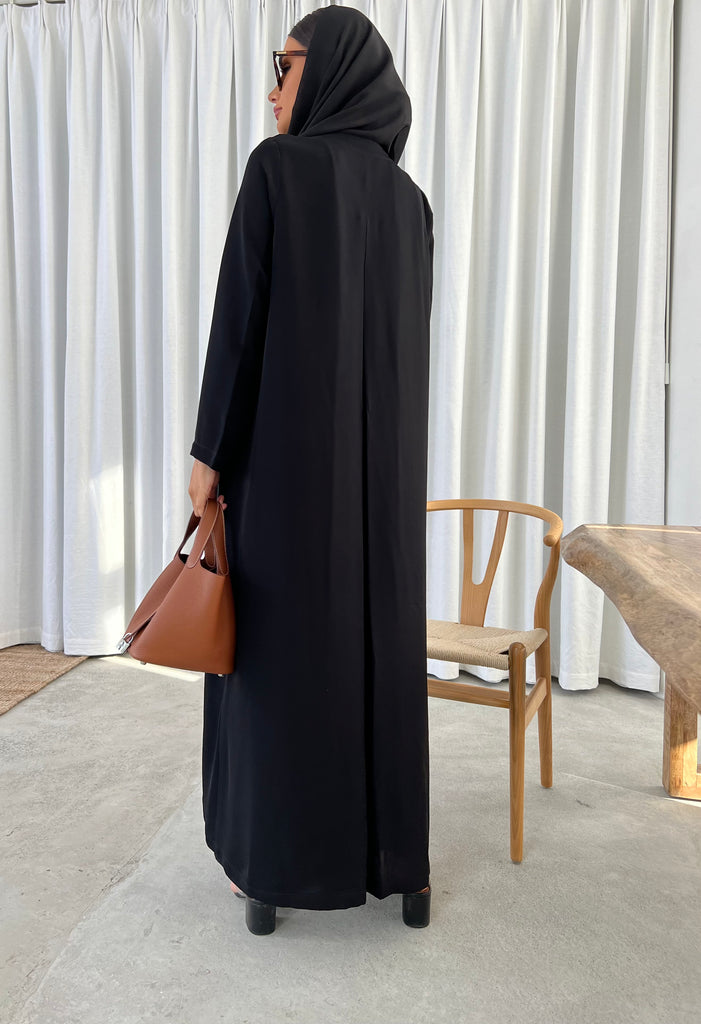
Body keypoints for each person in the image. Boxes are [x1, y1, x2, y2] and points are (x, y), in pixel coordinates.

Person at [188, 5, 434, 933]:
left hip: (286, 481)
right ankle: (397, 864)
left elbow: (239, 327)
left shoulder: (278, 171)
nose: (271, 89)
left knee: (277, 660)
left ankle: (274, 866)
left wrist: (209, 454)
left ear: (326, 70)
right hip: (383, 495)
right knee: (376, 660)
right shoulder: (409, 204)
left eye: (283, 65)